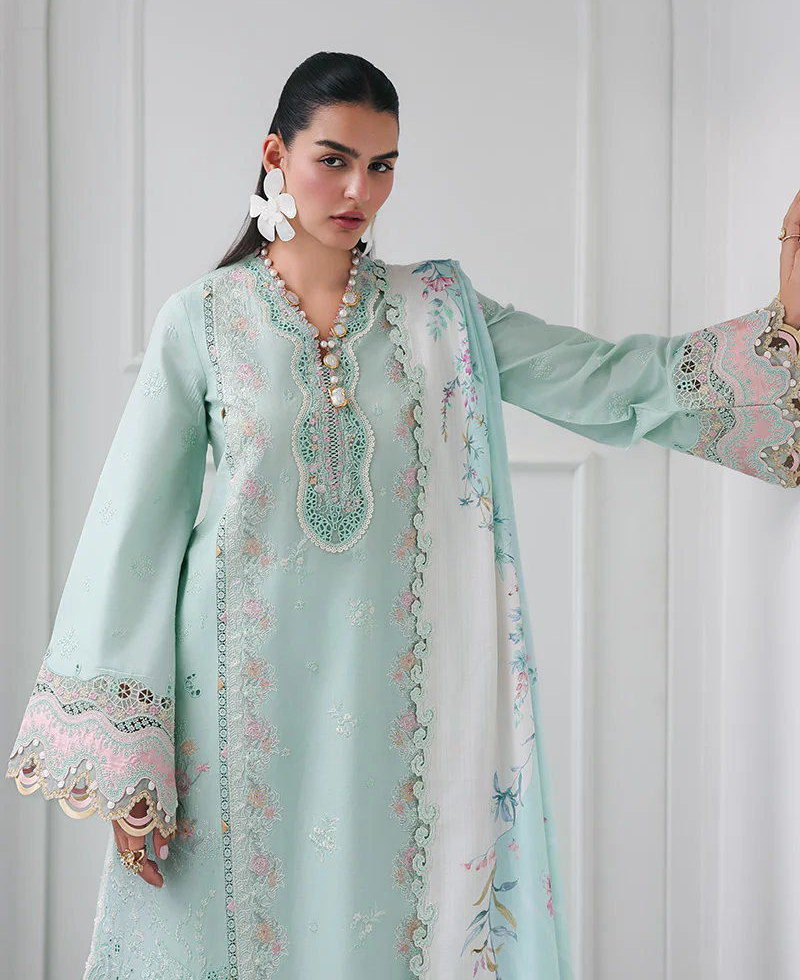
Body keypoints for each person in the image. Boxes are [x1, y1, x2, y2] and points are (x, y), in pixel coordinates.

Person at [7, 51, 800, 980]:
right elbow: (133, 536)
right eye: (334, 160)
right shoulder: (203, 321)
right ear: (276, 154)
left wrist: (783, 330)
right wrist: (129, 766)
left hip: (398, 709)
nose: (359, 190)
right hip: (230, 713)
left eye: (381, 165)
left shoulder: (438, 314)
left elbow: (600, 379)